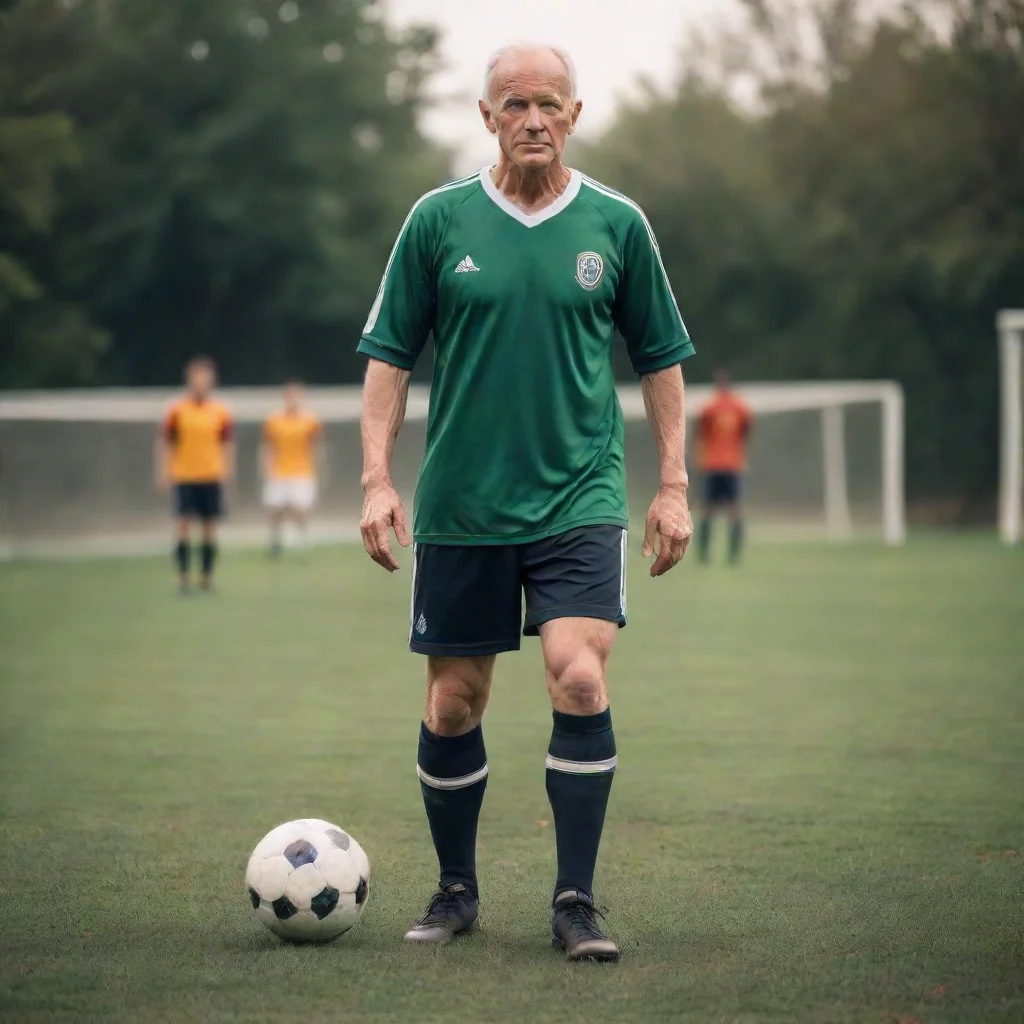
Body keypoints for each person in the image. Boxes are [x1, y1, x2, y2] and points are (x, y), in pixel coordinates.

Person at [357, 43, 695, 963]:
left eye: (550, 103)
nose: (534, 119)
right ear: (487, 116)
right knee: (453, 703)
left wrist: (670, 484)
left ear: (576, 116)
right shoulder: (436, 221)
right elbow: (389, 356)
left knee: (580, 675)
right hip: (462, 504)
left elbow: (660, 359)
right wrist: (377, 477)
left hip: (579, 498)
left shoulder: (618, 225)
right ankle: (456, 890)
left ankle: (575, 901)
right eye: (515, 104)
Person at [155, 355, 234, 593]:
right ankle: (182, 577)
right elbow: (166, 442)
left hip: (211, 475)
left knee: (209, 528)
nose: (202, 383)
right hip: (185, 476)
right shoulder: (177, 411)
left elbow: (227, 444)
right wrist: (163, 470)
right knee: (183, 526)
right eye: (197, 378)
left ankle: (206, 577)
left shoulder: (220, 412)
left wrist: (228, 471)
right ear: (189, 381)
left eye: (206, 379)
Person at [695, 368, 753, 564]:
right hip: (718, 465)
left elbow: (700, 431)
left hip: (725, 465)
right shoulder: (714, 408)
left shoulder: (729, 407)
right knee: (718, 510)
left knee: (727, 510)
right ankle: (711, 556)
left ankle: (727, 556)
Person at [261, 380, 322, 556]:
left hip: (302, 471)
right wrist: (267, 469)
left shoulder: (310, 421)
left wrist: (315, 468)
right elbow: (268, 446)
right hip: (279, 471)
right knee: (275, 509)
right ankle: (275, 542)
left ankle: (302, 539)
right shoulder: (274, 421)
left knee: (301, 510)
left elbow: (315, 446)